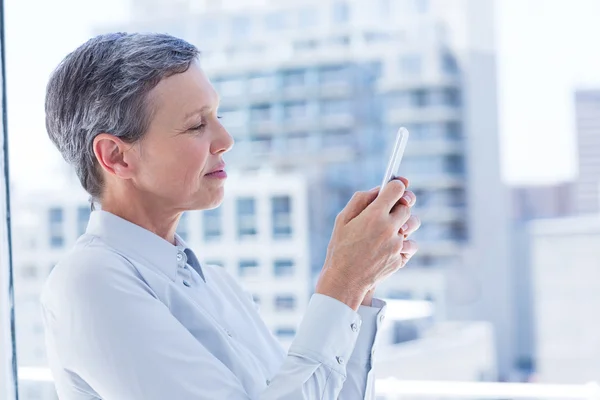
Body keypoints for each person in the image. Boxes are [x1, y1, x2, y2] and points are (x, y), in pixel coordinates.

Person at [41, 33, 420, 400]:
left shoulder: (219, 287)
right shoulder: (90, 283)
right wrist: (343, 282)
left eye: (217, 115)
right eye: (196, 125)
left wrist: (360, 289)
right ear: (116, 157)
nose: (225, 139)